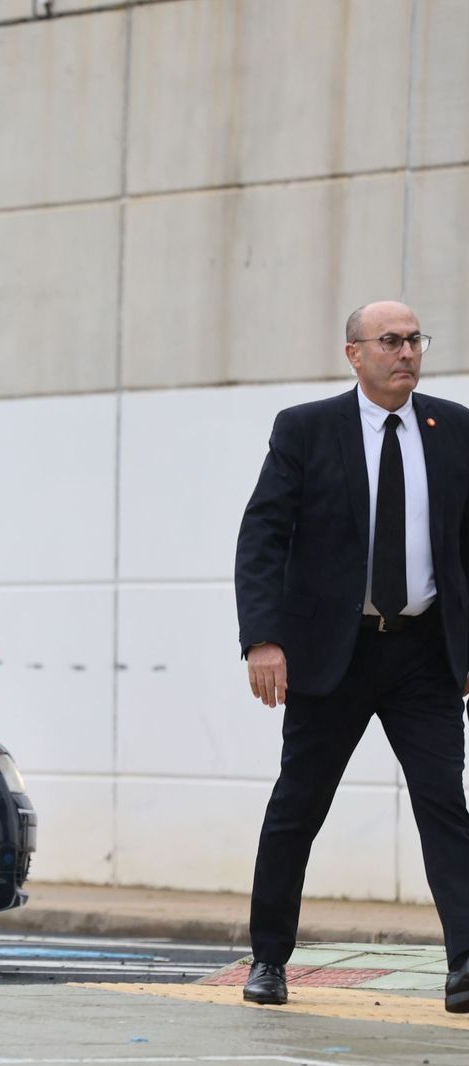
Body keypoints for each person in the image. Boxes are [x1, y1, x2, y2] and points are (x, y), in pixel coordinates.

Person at [235, 300, 469, 1013]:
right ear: (354, 353)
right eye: (391, 341)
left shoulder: (454, 429)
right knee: (298, 807)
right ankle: (269, 957)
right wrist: (263, 638)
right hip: (332, 654)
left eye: (414, 340)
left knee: (444, 805)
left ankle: (466, 961)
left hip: (425, 655)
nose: (407, 352)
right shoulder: (306, 430)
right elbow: (263, 537)